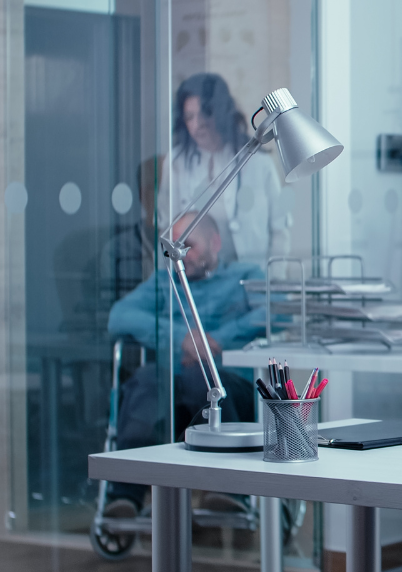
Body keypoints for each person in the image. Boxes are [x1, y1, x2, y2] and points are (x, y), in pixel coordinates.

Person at [107, 212, 264, 505]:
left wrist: (216, 340)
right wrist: (181, 337)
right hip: (173, 390)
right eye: (174, 247)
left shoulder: (245, 277)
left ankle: (228, 491)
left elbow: (273, 312)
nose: (181, 255)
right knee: (145, 381)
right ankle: (124, 496)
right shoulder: (166, 281)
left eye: (188, 245)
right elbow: (119, 316)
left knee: (199, 377)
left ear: (215, 243)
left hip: (231, 388)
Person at [156, 73, 290, 268]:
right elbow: (166, 230)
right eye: (189, 117)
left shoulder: (258, 162)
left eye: (205, 113)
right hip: (195, 279)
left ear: (221, 112)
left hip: (252, 280)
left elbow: (280, 231)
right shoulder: (176, 163)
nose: (197, 124)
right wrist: (168, 282)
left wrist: (274, 286)